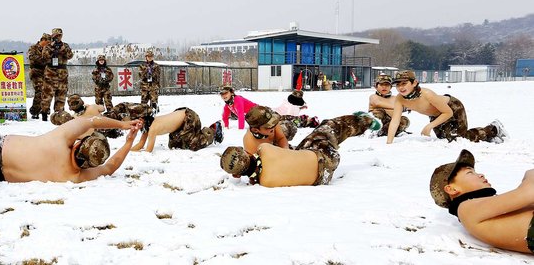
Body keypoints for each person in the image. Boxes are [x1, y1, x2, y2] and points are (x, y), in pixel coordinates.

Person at [220, 111, 382, 187]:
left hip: (321, 177)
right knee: (328, 127)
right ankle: (364, 121)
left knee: (318, 135)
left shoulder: (265, 183)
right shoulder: (263, 148)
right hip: (323, 155)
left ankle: (358, 122)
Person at [430, 149, 534, 254]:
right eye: (469, 172)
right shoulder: (466, 208)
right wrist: (529, 173)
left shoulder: (478, 205)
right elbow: (530, 192)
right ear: (452, 189)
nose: (481, 175)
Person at [0, 116, 142, 184]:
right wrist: (129, 142)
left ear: (78, 144)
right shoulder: (74, 176)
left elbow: (91, 121)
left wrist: (122, 125)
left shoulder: (60, 139)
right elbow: (110, 167)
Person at [386, 70, 508, 144]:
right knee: (443, 138)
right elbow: (395, 120)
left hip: (452, 108)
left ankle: (493, 129)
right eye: (398, 85)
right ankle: (487, 134)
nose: (401, 87)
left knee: (458, 139)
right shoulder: (399, 99)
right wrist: (389, 142)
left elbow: (448, 112)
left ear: (414, 83)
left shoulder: (427, 94)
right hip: (436, 115)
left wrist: (429, 126)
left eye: (404, 83)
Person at [130, 107, 223, 152]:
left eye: (138, 122)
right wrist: (129, 150)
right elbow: (141, 144)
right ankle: (197, 134)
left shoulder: (153, 128)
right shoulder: (148, 127)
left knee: (192, 145)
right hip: (180, 122)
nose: (136, 125)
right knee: (175, 146)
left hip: (189, 117)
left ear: (143, 120)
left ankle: (213, 130)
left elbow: (148, 150)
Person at [40, 28, 73, 121]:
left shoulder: (65, 45)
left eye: (59, 35)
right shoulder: (48, 46)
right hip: (50, 73)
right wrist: (51, 47)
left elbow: (70, 55)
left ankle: (58, 114)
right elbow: (44, 56)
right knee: (47, 95)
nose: (58, 37)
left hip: (62, 74)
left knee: (61, 95)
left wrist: (63, 49)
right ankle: (44, 113)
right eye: (56, 35)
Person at [27, 33, 51, 119]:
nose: (49, 44)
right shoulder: (33, 48)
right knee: (40, 90)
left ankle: (44, 110)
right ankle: (35, 111)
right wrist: (45, 60)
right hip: (36, 72)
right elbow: (33, 58)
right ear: (43, 40)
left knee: (47, 91)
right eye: (48, 42)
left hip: (46, 72)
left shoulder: (48, 49)